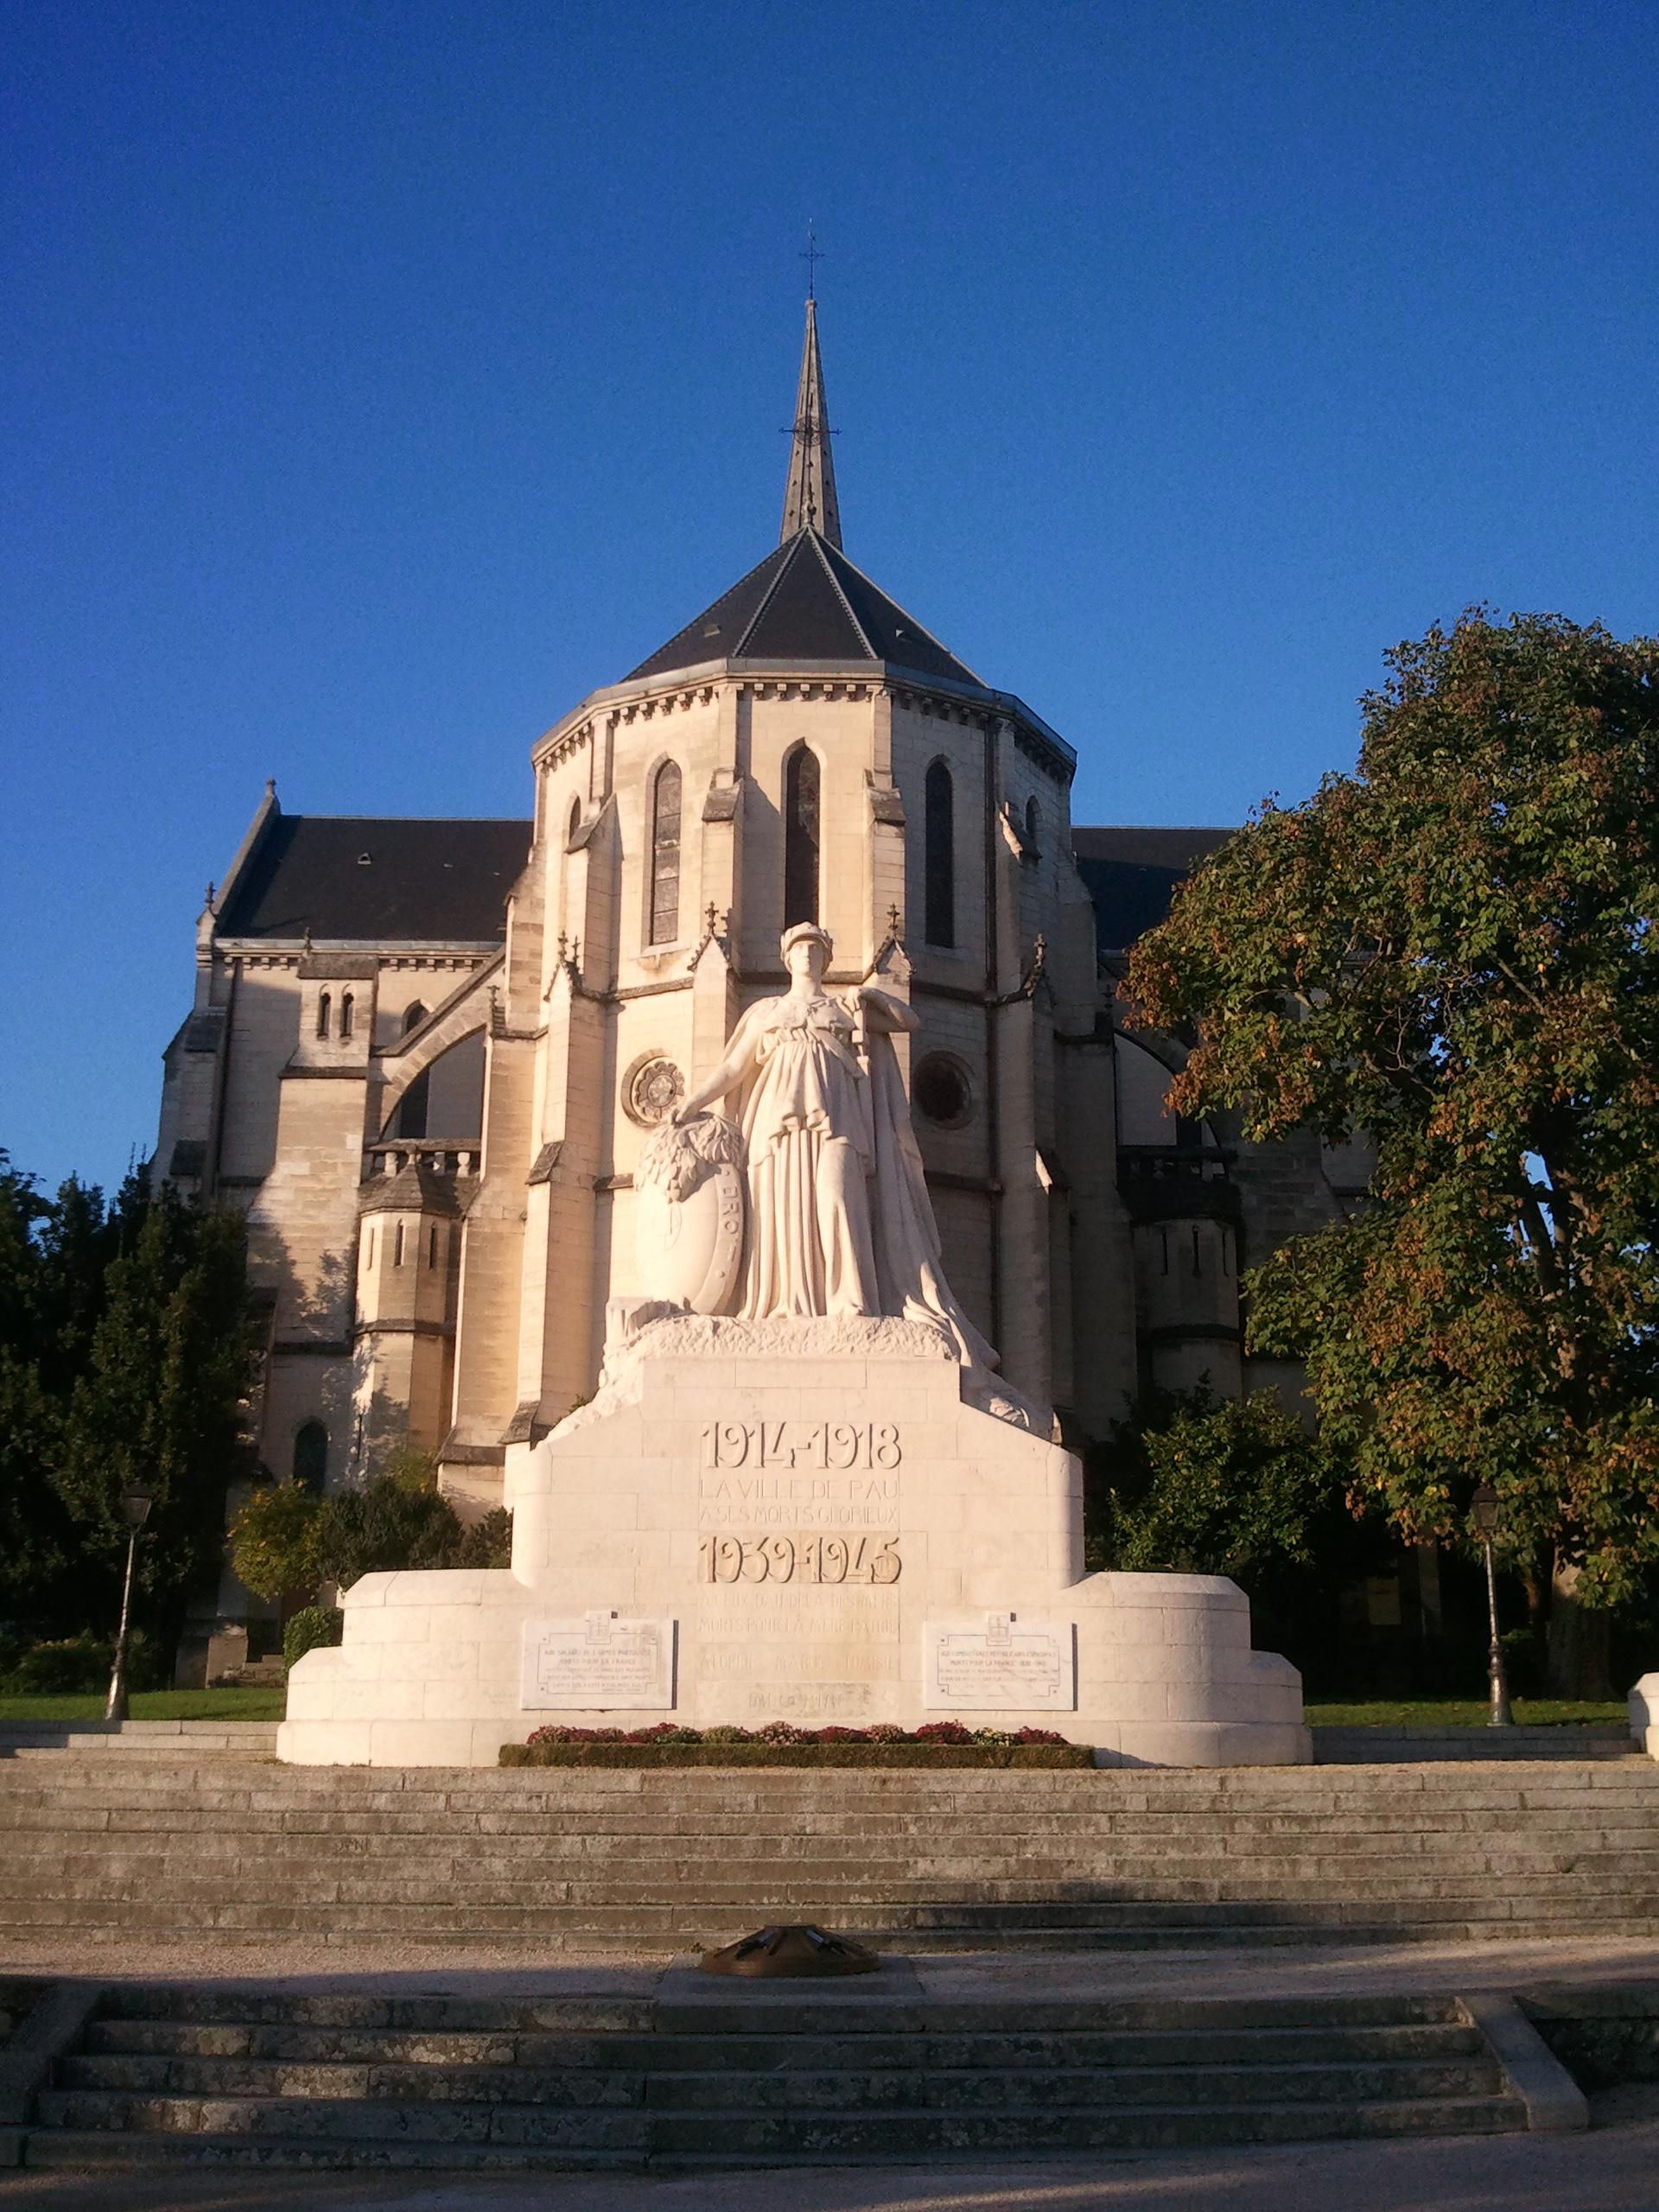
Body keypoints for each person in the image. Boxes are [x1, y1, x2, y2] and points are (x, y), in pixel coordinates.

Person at [672, 925, 999, 1376]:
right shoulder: (766, 1011)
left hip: (837, 1119)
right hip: (777, 1126)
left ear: (825, 959)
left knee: (838, 1199)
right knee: (782, 1213)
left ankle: (851, 1301)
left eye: (815, 949)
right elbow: (733, 1066)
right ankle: (786, 1303)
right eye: (799, 949)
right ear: (787, 959)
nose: (807, 955)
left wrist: (868, 1000)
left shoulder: (843, 1007)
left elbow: (908, 1021)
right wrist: (694, 1101)